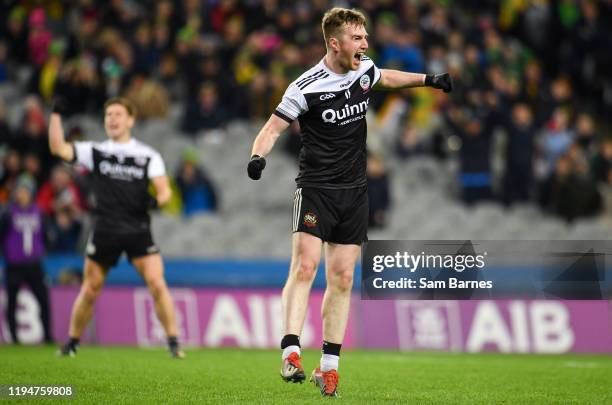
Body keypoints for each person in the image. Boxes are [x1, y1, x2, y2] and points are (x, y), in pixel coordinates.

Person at [246, 7, 452, 397]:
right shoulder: (305, 85)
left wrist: (429, 80)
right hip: (316, 188)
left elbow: (385, 77)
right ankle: (291, 350)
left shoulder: (364, 69)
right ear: (335, 43)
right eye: (358, 38)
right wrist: (258, 156)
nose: (366, 44)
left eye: (365, 37)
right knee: (305, 266)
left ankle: (329, 368)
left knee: (342, 278)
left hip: (354, 191)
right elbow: (272, 128)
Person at [48, 96, 184, 358]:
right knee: (89, 289)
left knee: (157, 284)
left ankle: (174, 343)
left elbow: (165, 191)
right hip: (106, 229)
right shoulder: (96, 151)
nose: (112, 119)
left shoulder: (147, 156)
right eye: (108, 114)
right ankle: (72, 343)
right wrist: (56, 115)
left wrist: (157, 200)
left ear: (130, 120)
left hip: (137, 229)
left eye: (118, 114)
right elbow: (59, 149)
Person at [0, 174, 53, 344]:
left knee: (43, 299)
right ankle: (14, 337)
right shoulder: (8, 212)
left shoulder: (39, 212)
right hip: (14, 264)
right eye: (19, 190)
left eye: (24, 190)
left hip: (34, 263)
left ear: (30, 192)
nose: (20, 193)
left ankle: (48, 335)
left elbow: (46, 235)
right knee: (12, 300)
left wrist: (41, 250)